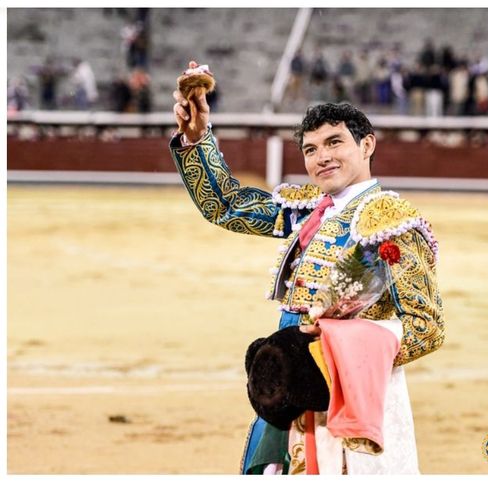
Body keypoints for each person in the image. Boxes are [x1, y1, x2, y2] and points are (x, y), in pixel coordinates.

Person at [170, 83, 445, 474]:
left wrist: (335, 352)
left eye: (334, 143)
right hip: (290, 386)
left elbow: (426, 327)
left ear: (367, 145)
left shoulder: (392, 223)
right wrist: (197, 139)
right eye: (311, 149)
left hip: (348, 394)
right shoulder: (307, 212)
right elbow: (227, 206)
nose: (322, 157)